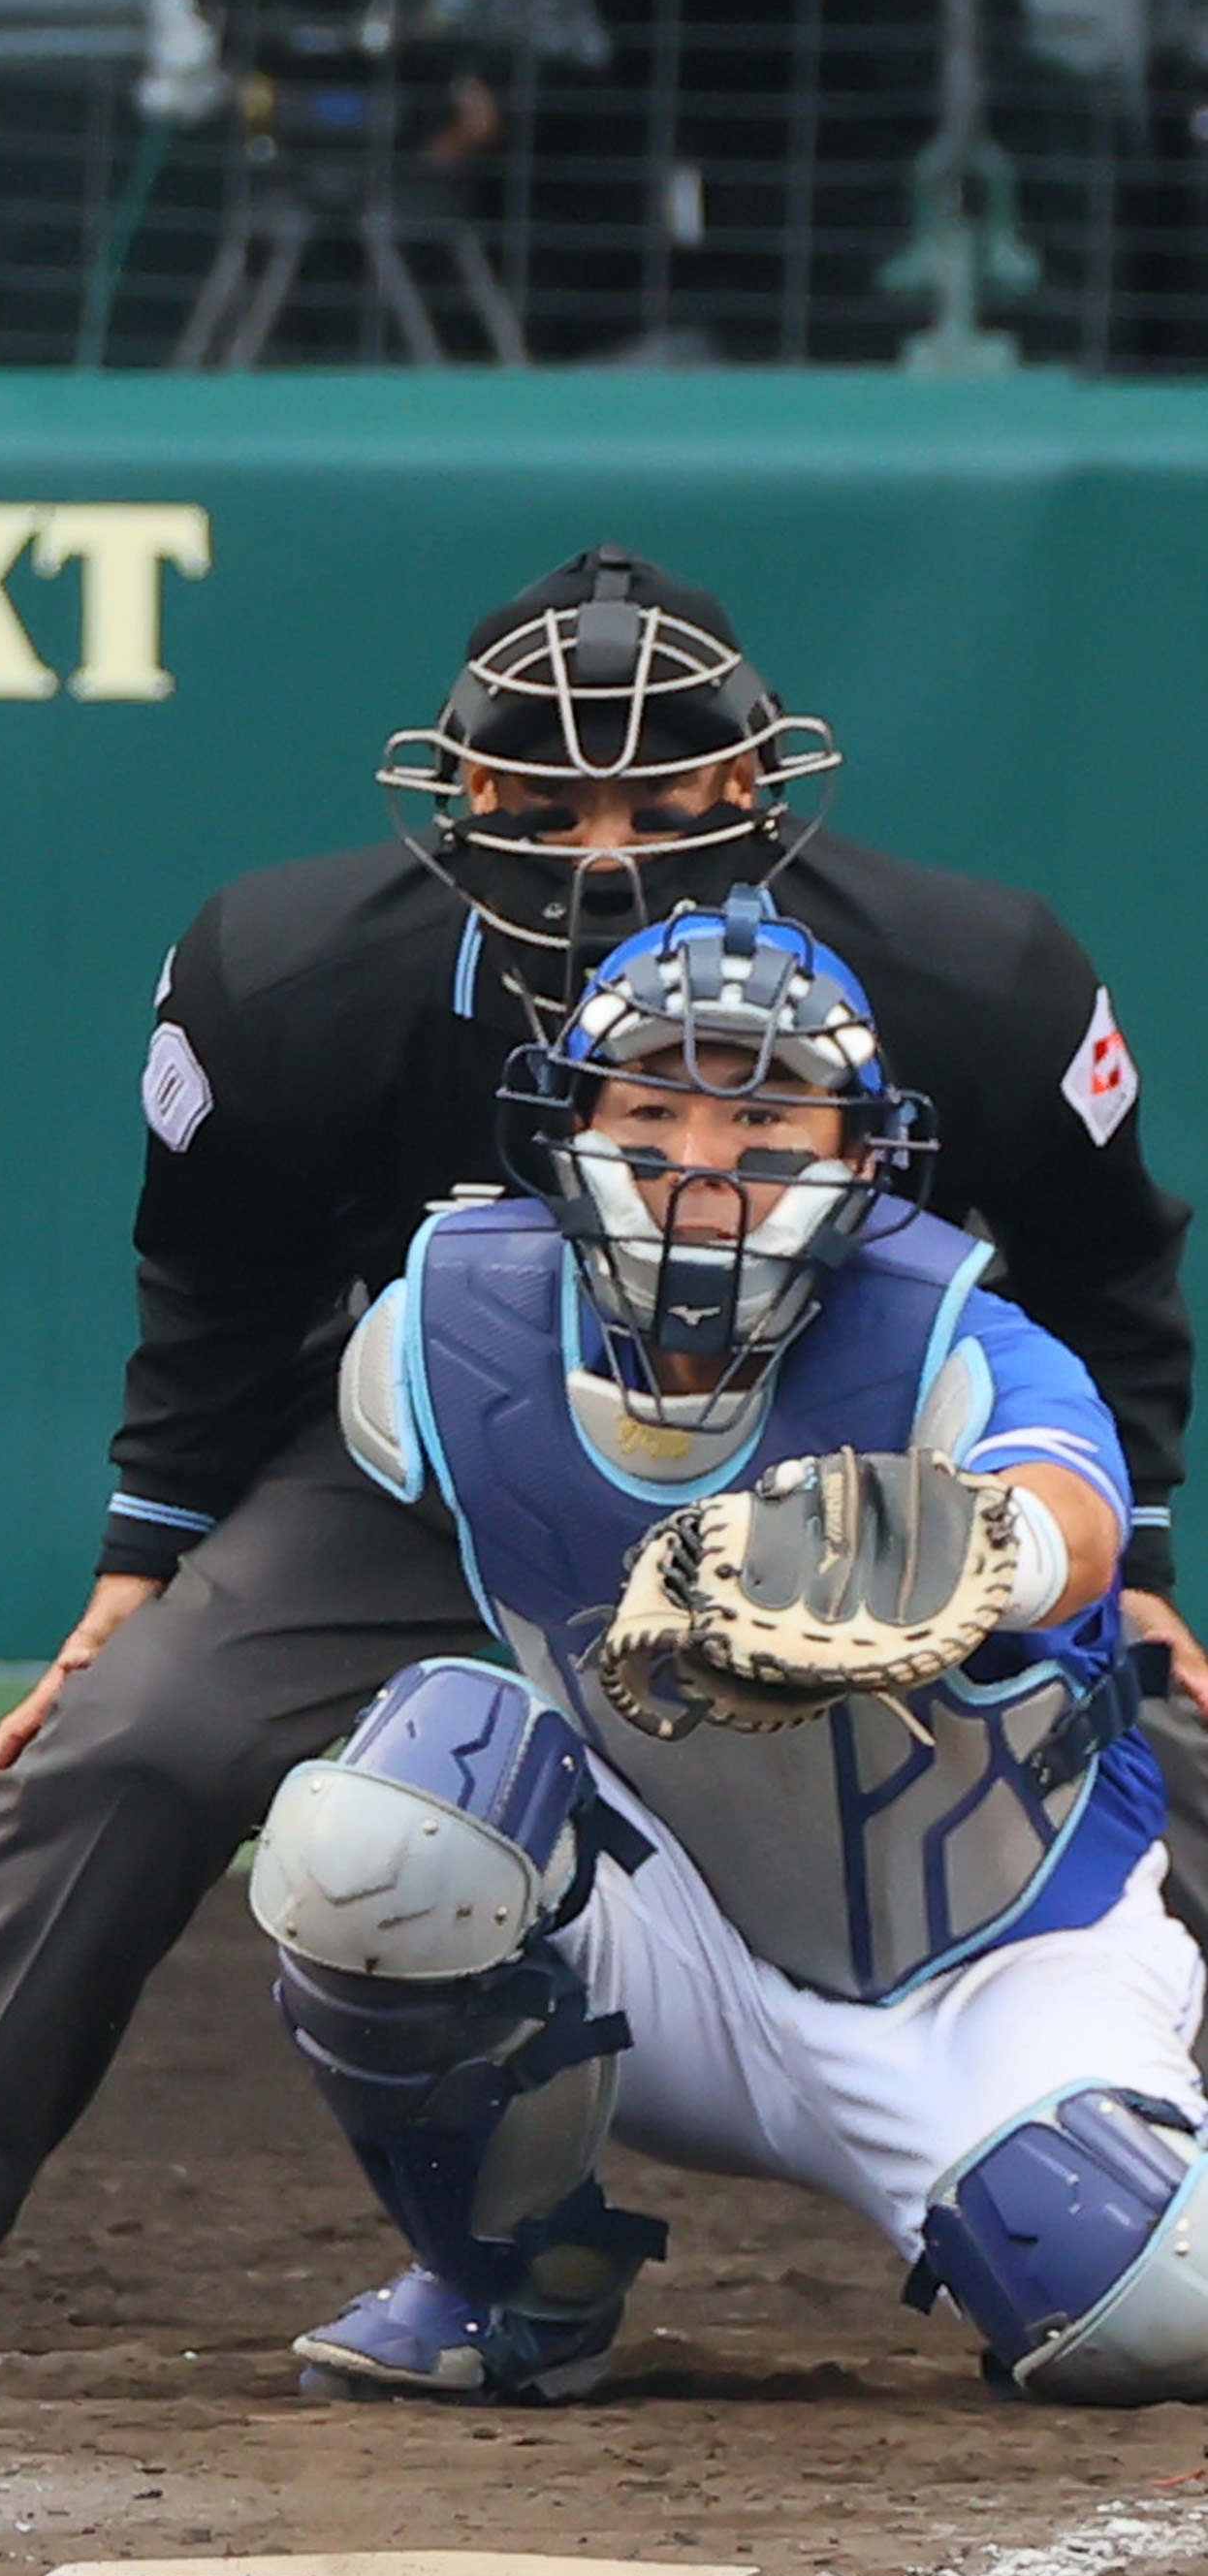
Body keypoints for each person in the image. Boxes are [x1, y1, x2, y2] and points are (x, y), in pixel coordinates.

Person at [0, 548, 1197, 2361]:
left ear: (756, 788)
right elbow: (219, 1280)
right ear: (461, 792)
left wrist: (1128, 1575)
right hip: (463, 1456)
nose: (601, 846)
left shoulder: (974, 975)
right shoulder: (286, 979)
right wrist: (140, 1569)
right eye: (548, 798)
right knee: (146, 1727)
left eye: (656, 797)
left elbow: (1105, 1264)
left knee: (1146, 1757)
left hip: (849, 1470)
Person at [249, 893, 1208, 2404]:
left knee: (1154, 2315)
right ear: (569, 1121)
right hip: (674, 1945)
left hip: (993, 1960)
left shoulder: (955, 1332)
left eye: (766, 1109)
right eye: (654, 1105)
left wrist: (971, 1551)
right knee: (393, 1812)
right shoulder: (434, 1333)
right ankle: (517, 2282)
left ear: (860, 1152)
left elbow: (1073, 1511)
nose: (702, 1161)